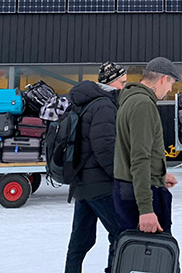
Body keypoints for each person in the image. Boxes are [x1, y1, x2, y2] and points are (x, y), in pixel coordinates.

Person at [64, 61, 127, 273]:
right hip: (100, 185)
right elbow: (104, 147)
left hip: (82, 182)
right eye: (123, 82)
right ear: (113, 82)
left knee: (79, 240)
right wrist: (119, 175)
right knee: (121, 233)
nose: (125, 86)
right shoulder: (105, 105)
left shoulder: (84, 102)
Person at [113, 57, 180, 234]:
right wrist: (146, 210)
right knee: (154, 256)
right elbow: (139, 157)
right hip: (139, 194)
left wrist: (160, 174)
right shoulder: (143, 104)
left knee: (135, 254)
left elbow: (131, 150)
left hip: (128, 187)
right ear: (163, 79)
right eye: (171, 83)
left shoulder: (130, 100)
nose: (170, 89)